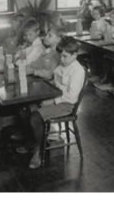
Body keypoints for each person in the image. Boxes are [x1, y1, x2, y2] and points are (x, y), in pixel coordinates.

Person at [15, 36, 86, 169]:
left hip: (66, 104)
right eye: (61, 56)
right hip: (55, 97)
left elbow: (71, 97)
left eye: (65, 56)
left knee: (35, 117)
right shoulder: (63, 64)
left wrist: (52, 101)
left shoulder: (77, 71)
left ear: (75, 55)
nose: (61, 59)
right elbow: (55, 82)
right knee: (23, 108)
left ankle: (38, 150)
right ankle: (31, 140)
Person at [95, 10, 114, 87]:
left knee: (110, 58)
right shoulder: (110, 27)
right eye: (110, 17)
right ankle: (105, 76)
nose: (111, 19)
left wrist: (109, 35)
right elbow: (105, 35)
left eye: (113, 18)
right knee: (104, 56)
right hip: (111, 49)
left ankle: (113, 79)